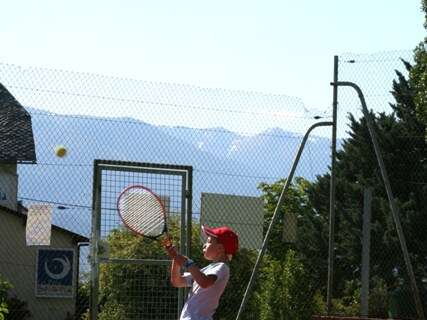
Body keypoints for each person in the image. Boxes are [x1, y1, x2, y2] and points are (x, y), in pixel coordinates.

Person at [163, 225, 239, 320]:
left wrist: (188, 263)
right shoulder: (207, 270)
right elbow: (177, 281)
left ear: (220, 248)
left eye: (208, 242)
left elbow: (204, 282)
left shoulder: (222, 267)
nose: (204, 245)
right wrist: (176, 258)